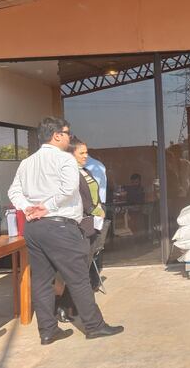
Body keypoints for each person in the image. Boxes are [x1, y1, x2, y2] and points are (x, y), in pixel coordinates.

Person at [8, 117, 123, 345]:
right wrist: (46, 207)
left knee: (41, 281)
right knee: (78, 278)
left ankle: (48, 331)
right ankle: (94, 326)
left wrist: (27, 207)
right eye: (67, 133)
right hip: (60, 225)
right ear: (56, 135)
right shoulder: (65, 160)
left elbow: (13, 191)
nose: (70, 137)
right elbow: (69, 189)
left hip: (34, 228)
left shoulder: (27, 162)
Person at [55, 136, 110, 323]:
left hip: (92, 224)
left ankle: (72, 306)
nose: (86, 156)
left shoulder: (85, 170)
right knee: (76, 271)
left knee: (83, 269)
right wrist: (95, 210)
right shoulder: (70, 174)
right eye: (82, 153)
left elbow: (94, 194)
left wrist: (100, 208)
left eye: (87, 152)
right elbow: (79, 199)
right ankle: (62, 306)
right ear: (71, 154)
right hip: (80, 226)